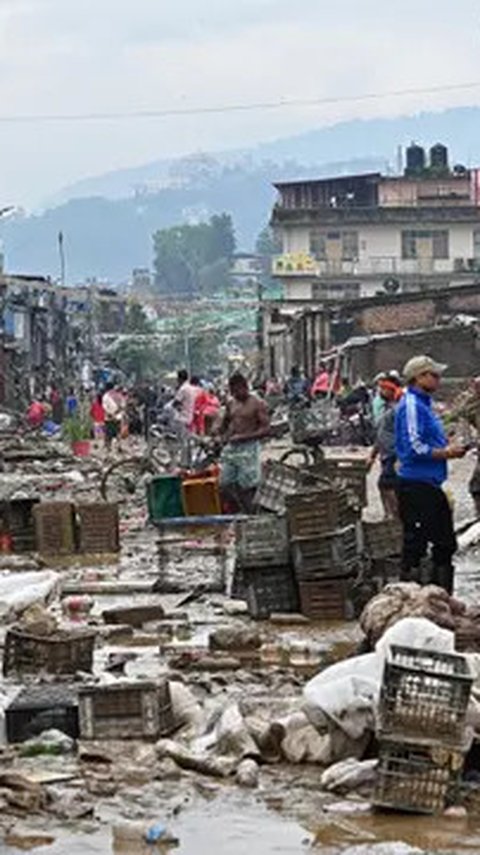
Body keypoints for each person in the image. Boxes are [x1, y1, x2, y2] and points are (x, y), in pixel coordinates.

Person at [395, 355, 467, 594]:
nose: (438, 379)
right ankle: (412, 596)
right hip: (416, 484)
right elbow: (414, 446)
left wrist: (447, 442)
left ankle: (439, 598)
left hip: (430, 484)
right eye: (433, 375)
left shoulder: (425, 405)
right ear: (418, 377)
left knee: (444, 544)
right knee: (416, 544)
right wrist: (446, 453)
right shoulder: (412, 405)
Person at [219, 373, 271, 513]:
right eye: (232, 392)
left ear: (245, 387)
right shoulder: (231, 403)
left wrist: (245, 437)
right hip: (233, 448)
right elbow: (224, 422)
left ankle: (251, 513)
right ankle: (236, 510)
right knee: (225, 483)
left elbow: (266, 429)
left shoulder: (257, 403)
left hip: (250, 447)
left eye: (237, 391)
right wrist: (219, 434)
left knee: (248, 485)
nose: (235, 394)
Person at [368, 378, 403, 519]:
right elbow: (380, 435)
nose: (380, 391)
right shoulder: (385, 409)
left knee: (387, 486)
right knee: (385, 486)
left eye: (384, 389)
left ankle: (395, 515)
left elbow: (403, 434)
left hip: (393, 454)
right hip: (386, 454)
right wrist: (372, 455)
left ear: (391, 390)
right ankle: (389, 514)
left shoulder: (397, 410)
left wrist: (400, 457)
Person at [102, 382, 123, 450]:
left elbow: (104, 407)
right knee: (118, 432)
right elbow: (122, 406)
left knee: (108, 432)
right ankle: (119, 445)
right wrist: (116, 413)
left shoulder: (106, 396)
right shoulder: (119, 395)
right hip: (118, 417)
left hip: (109, 417)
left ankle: (109, 446)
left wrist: (111, 414)